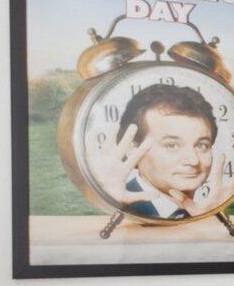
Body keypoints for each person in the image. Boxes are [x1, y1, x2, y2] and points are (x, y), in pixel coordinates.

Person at [89, 82, 217, 220]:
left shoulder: (205, 209)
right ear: (133, 149)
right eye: (172, 145)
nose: (193, 160)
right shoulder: (119, 205)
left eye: (202, 145)